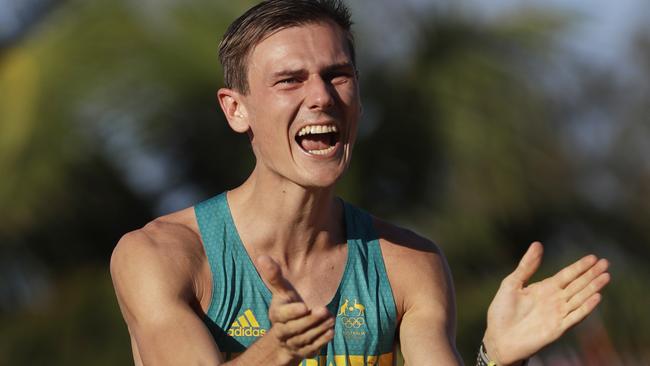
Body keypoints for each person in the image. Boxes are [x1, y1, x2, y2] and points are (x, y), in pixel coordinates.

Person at [110, 1, 611, 365]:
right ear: (236, 109)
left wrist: (496, 360)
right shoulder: (161, 256)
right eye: (290, 80)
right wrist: (278, 350)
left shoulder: (410, 264)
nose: (321, 98)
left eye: (338, 75)